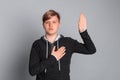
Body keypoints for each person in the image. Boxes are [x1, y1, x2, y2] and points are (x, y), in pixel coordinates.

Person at [29, 9, 96, 80]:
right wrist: (53, 58)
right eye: (47, 22)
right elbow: (32, 71)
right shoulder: (37, 44)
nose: (50, 25)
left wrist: (83, 32)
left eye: (54, 22)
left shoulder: (69, 42)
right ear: (43, 25)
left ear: (59, 24)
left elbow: (91, 50)